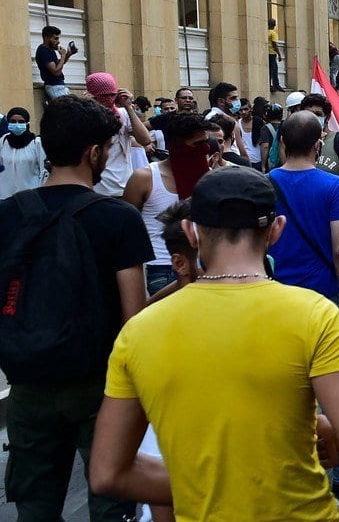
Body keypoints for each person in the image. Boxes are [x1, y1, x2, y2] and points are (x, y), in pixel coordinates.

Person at [90, 168, 339, 519]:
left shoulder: (139, 330)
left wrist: (206, 484)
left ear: (191, 231)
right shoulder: (314, 314)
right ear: (276, 230)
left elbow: (108, 472)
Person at [1, 95, 151, 522]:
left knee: (35, 505)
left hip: (28, 381)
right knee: (110, 499)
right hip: (100, 385)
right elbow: (133, 319)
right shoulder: (118, 218)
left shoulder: (8, 215)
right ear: (93, 152)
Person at [267, 111, 339, 302]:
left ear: (282, 141)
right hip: (322, 292)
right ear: (318, 145)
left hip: (275, 290)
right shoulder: (336, 186)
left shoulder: (263, 184)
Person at [123, 113, 210, 295]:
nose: (205, 149)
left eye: (206, 142)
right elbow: (126, 231)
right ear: (176, 145)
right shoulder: (145, 178)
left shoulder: (210, 178)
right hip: (161, 268)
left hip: (203, 267)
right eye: (197, 144)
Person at [85, 72, 153, 198]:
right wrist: (88, 107)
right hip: (95, 190)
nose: (109, 99)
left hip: (124, 187)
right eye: (104, 96)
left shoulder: (123, 114)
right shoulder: (85, 116)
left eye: (113, 95)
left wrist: (129, 108)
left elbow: (145, 140)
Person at [298, 93, 339, 177]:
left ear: (327, 117)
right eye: (308, 114)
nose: (312, 118)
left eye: (318, 114)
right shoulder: (297, 142)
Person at [0, 106, 48, 199]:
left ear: (27, 123)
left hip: (30, 198)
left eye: (21, 122)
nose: (17, 124)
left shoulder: (36, 143)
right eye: (13, 121)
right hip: (4, 198)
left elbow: (44, 171)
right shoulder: (3, 141)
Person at [35, 24, 76, 99]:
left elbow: (58, 65)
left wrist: (68, 54)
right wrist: (63, 55)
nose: (58, 41)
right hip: (54, 87)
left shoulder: (50, 50)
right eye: (55, 39)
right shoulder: (43, 51)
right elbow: (56, 71)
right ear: (47, 38)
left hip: (59, 86)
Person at [268, 17, 284, 92]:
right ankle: (275, 85)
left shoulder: (266, 32)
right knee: (274, 69)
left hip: (268, 53)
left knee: (271, 69)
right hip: (271, 53)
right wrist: (279, 54)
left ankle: (272, 84)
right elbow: (275, 44)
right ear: (274, 25)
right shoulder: (273, 33)